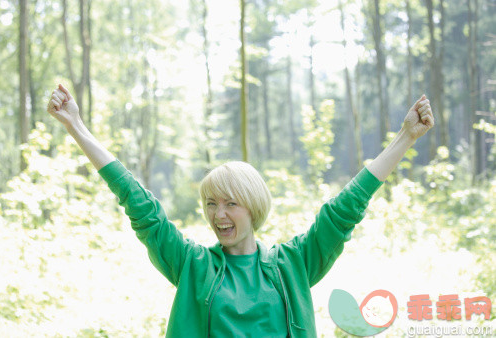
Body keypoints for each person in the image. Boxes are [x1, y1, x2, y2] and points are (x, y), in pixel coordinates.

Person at [47, 84, 434, 337]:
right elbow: (138, 204)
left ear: (253, 207)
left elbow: (345, 208)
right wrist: (77, 127)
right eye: (212, 204)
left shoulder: (294, 263)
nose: (219, 215)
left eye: (231, 204)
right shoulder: (192, 265)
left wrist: (405, 138)